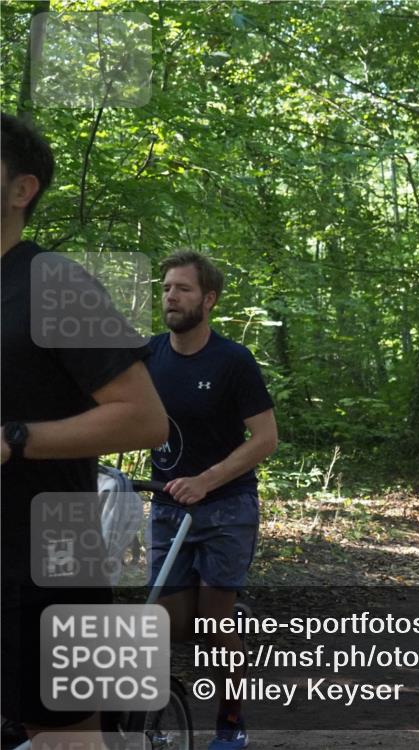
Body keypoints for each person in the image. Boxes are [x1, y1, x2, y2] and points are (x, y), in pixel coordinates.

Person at [1, 113, 168, 747]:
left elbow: (145, 418)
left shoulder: (54, 283)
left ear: (23, 190)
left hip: (52, 554)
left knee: (68, 738)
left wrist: (17, 438)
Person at [146, 250, 278, 750]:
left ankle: (230, 722)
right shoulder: (148, 356)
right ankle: (149, 718)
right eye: (165, 288)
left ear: (209, 299)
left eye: (182, 288)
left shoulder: (232, 361)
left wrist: (207, 479)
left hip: (226, 509)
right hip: (165, 506)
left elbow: (265, 438)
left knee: (213, 622)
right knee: (163, 621)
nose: (171, 297)